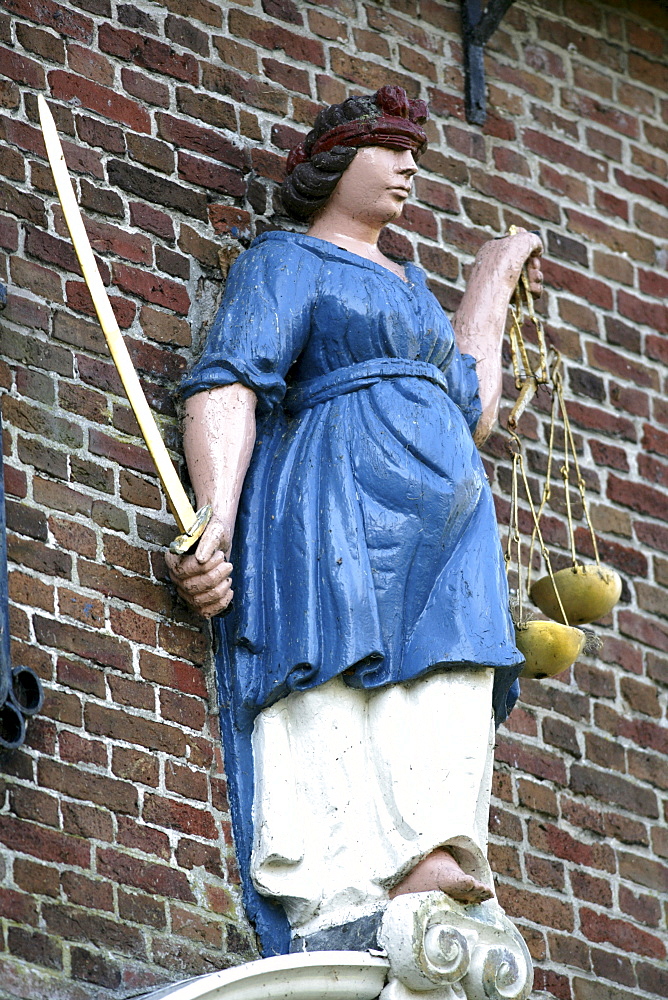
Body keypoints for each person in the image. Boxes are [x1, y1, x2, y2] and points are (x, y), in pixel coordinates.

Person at [166, 86, 543, 956]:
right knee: (344, 655)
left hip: (452, 526)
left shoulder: (410, 288)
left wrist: (493, 274)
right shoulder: (290, 262)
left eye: (417, 151)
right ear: (338, 163)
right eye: (392, 148)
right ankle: (353, 869)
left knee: (458, 663)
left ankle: (435, 846)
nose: (411, 165)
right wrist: (215, 521)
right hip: (339, 498)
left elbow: (476, 407)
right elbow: (229, 382)